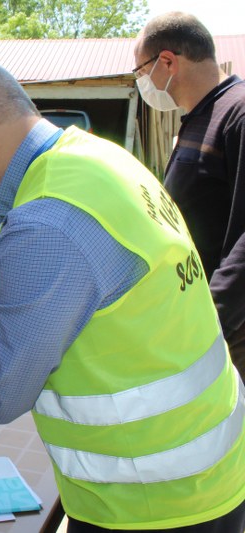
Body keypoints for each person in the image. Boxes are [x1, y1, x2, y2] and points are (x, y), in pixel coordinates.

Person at [0, 54, 245, 532]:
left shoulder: (47, 224)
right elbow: (12, 240)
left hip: (150, 500)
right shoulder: (89, 161)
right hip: (206, 464)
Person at [133, 12, 245, 377]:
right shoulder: (198, 117)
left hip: (226, 327)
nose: (142, 82)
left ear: (167, 62)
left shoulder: (237, 113)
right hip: (192, 311)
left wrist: (213, 318)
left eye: (141, 71)